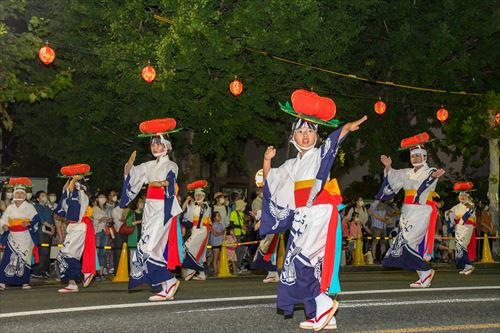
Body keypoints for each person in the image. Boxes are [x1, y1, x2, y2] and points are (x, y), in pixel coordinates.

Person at [260, 92, 367, 331]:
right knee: (309, 264)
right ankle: (322, 314)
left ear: (316, 135)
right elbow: (271, 183)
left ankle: (325, 303)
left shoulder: (320, 154)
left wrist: (346, 128)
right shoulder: (291, 164)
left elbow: (332, 143)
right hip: (303, 215)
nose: (306, 135)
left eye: (310, 131)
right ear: (293, 136)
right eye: (300, 131)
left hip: (318, 212)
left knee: (299, 261)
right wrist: (267, 161)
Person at [120, 118, 183, 301]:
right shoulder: (149, 166)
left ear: (166, 146)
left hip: (163, 209)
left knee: (147, 248)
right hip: (150, 209)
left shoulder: (171, 165)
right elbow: (132, 175)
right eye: (153, 145)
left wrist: (160, 183)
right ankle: (166, 286)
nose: (155, 148)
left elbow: (170, 181)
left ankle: (169, 281)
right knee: (150, 249)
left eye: (159, 144)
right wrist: (129, 165)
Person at [378, 133, 445, 288]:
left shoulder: (430, 170)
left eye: (418, 156)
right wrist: (388, 167)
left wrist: (433, 177)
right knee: (407, 246)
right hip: (407, 211)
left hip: (421, 211)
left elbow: (430, 179)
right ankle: (424, 276)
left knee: (406, 244)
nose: (415, 158)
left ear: (425, 157)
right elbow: (392, 179)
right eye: (413, 156)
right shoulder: (406, 172)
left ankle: (426, 271)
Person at [55, 173, 97, 293]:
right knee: (71, 255)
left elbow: (68, 190)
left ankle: (81, 273)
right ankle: (72, 283)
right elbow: (66, 190)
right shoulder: (78, 194)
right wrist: (71, 178)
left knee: (65, 254)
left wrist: (73, 179)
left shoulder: (80, 194)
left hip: (79, 228)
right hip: (76, 227)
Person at [0, 178, 40, 290]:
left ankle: (24, 282)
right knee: (8, 258)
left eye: (22, 193)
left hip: (26, 236)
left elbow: (36, 220)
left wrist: (28, 223)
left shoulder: (30, 207)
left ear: (25, 195)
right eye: (17, 192)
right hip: (12, 236)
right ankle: (3, 281)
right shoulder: (10, 207)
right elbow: (3, 220)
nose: (19, 194)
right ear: (13, 194)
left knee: (25, 259)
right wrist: (4, 225)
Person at [182, 183, 212, 281]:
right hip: (195, 229)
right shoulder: (194, 207)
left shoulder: (205, 206)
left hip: (202, 229)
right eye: (196, 195)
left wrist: (200, 204)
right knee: (200, 252)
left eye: (200, 195)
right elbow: (188, 217)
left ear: (203, 196)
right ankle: (202, 274)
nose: (197, 197)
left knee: (189, 247)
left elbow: (204, 212)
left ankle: (191, 270)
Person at [445, 183, 477, 275]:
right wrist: (448, 213)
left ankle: (468, 265)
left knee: (462, 246)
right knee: (459, 248)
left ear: (467, 196)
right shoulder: (457, 206)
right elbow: (451, 213)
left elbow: (469, 213)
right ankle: (467, 266)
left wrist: (461, 221)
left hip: (466, 227)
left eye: (464, 195)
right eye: (460, 195)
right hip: (459, 228)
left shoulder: (470, 204)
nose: (462, 197)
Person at [31, 191, 56, 278]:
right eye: (42, 196)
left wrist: (52, 228)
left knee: (47, 252)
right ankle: (36, 271)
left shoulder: (48, 208)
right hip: (42, 231)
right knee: (43, 252)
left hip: (49, 231)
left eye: (45, 195)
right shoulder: (36, 207)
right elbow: (41, 219)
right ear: (38, 199)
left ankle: (44, 271)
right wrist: (51, 227)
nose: (45, 197)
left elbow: (52, 219)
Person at [252, 210, 279, 283]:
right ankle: (272, 274)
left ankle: (272, 275)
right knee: (270, 254)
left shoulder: (270, 203)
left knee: (267, 253)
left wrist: (260, 221)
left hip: (271, 234)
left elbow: (269, 212)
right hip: (271, 232)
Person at [92, 193, 113, 279]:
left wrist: (106, 219)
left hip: (104, 231)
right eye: (101, 197)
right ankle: (95, 272)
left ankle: (101, 272)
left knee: (103, 253)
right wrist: (105, 218)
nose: (103, 199)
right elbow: (98, 220)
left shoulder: (105, 210)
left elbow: (108, 220)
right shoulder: (95, 208)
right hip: (98, 232)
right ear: (97, 199)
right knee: (96, 252)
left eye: (104, 197)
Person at [125, 196, 144, 269]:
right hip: (133, 237)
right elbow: (128, 223)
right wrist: (139, 221)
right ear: (136, 203)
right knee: (133, 256)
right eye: (140, 202)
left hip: (142, 238)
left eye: (142, 202)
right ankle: (133, 273)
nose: (142, 204)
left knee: (141, 256)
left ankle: (140, 272)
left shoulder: (144, 212)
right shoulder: (131, 212)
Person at [230, 199, 248, 273]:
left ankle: (239, 266)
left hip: (243, 234)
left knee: (242, 251)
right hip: (237, 234)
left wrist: (245, 227)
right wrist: (241, 227)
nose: (244, 207)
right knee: (237, 251)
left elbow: (243, 224)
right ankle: (236, 267)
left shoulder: (242, 214)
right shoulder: (233, 213)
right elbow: (231, 224)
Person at [210, 211, 224, 275]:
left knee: (218, 258)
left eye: (219, 215)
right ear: (214, 218)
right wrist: (222, 233)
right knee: (215, 258)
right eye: (218, 216)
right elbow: (215, 234)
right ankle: (216, 271)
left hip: (220, 243)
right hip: (215, 243)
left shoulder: (220, 224)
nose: (219, 217)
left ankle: (218, 271)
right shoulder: (215, 224)